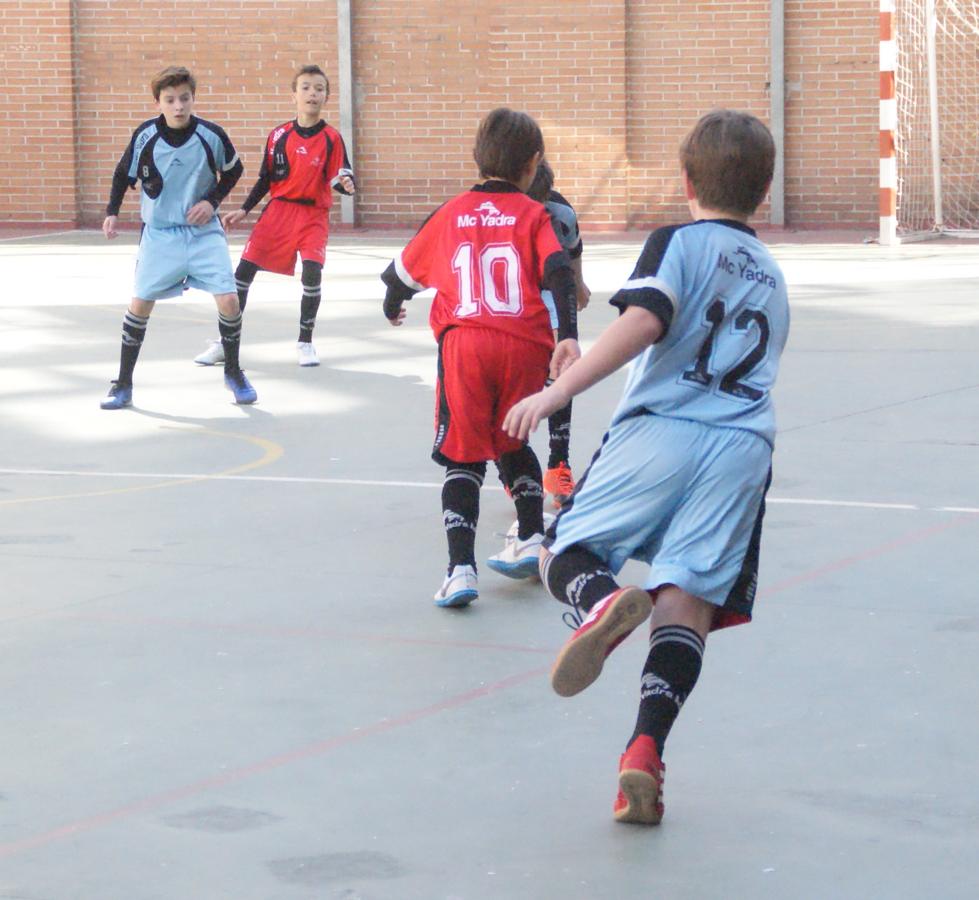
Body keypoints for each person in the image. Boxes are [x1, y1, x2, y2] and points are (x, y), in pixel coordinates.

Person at [503, 109, 787, 825]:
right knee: (684, 599)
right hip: (743, 449)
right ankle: (643, 754)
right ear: (762, 189)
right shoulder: (772, 274)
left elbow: (646, 323)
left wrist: (558, 387)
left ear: (686, 180)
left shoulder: (679, 241)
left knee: (562, 549)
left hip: (661, 431)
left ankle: (600, 604)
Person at [380, 108, 581, 608]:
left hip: (466, 344)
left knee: (462, 456)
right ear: (534, 163)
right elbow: (559, 273)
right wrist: (568, 337)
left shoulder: (451, 212)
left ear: (477, 157)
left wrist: (394, 304)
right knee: (513, 440)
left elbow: (399, 273)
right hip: (524, 341)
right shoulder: (536, 214)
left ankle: (460, 571)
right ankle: (532, 536)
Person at [100, 66, 255, 409]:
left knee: (229, 300)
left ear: (192, 98)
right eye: (170, 100)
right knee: (140, 304)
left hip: (203, 234)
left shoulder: (210, 135)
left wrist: (211, 200)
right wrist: (112, 211)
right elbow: (121, 174)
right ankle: (122, 383)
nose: (179, 106)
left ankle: (233, 371)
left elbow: (234, 170)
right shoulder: (145, 136)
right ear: (158, 102)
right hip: (160, 234)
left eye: (184, 98)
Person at [193, 64, 355, 369]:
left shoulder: (332, 138)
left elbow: (340, 177)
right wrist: (243, 209)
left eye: (319, 88)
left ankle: (305, 341)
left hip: (313, 215)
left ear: (326, 97)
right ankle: (224, 343)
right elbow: (265, 179)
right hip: (278, 212)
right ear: (293, 95)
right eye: (305, 87)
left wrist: (347, 185)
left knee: (312, 273)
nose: (312, 93)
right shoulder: (279, 135)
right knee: (242, 275)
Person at [523, 159, 591, 507]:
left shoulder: (560, 213)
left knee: (562, 371)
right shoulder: (500, 212)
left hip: (553, 292)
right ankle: (515, 468)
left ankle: (558, 461)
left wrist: (578, 283)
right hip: (515, 297)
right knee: (517, 378)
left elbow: (575, 249)